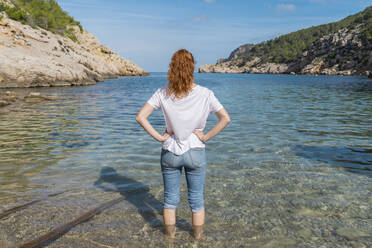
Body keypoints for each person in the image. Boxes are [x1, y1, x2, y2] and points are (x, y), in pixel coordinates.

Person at [136, 49, 230, 240]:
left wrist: (159, 138)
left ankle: (169, 241)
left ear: (172, 68)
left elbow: (141, 117)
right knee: (196, 201)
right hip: (196, 152)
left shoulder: (162, 92)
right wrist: (205, 137)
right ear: (192, 68)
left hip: (170, 151)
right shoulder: (205, 93)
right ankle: (195, 241)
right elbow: (225, 119)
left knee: (170, 201)